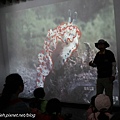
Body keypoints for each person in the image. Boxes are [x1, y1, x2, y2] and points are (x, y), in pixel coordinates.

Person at [89, 39, 116, 106]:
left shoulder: (109, 53)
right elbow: (95, 64)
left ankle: (109, 110)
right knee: (98, 95)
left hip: (108, 77)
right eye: (99, 44)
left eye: (101, 44)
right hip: (100, 77)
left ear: (105, 45)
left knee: (109, 95)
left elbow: (114, 65)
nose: (100, 45)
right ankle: (99, 108)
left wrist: (113, 75)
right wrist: (92, 64)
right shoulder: (98, 54)